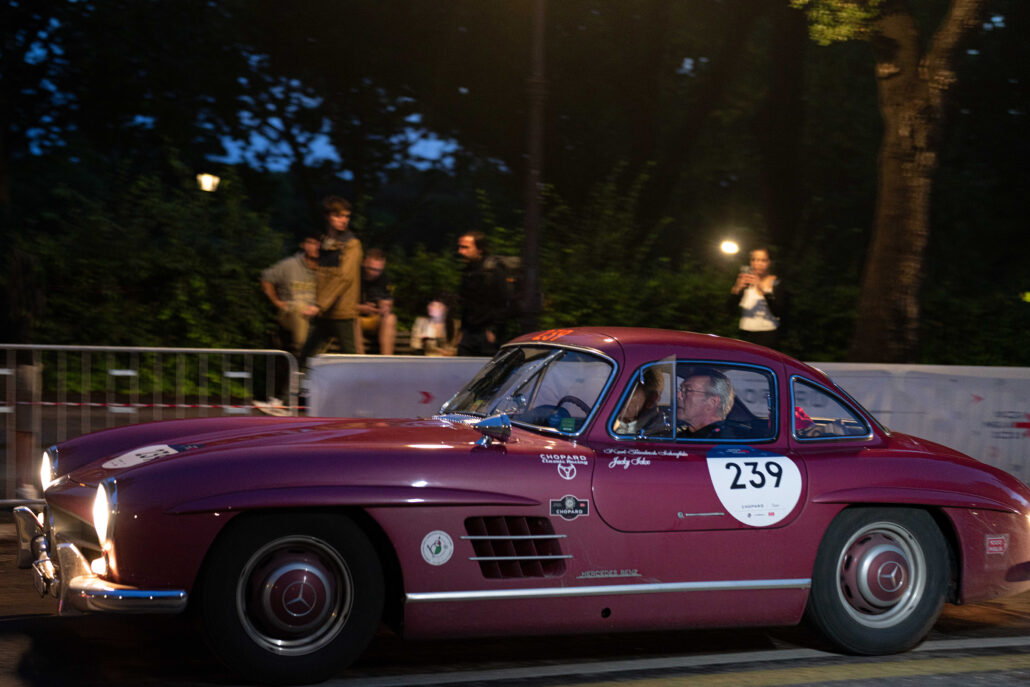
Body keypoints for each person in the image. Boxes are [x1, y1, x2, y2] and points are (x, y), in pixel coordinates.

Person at [298, 196, 362, 367]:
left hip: (341, 310)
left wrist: (319, 305)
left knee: (351, 359)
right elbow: (323, 276)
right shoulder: (326, 242)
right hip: (325, 311)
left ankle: (360, 393)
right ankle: (290, 393)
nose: (344, 220)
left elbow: (344, 277)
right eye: (339, 216)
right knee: (306, 356)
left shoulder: (352, 244)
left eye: (347, 216)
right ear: (328, 216)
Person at [260, 232, 320, 356]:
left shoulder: (325, 267)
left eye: (318, 243)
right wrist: (276, 301)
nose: (315, 247)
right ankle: (302, 352)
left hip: (317, 310)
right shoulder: (289, 265)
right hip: (291, 311)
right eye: (311, 243)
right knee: (299, 307)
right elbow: (266, 278)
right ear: (303, 245)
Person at [456, 231, 509, 356]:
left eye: (465, 247)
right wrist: (462, 330)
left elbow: (503, 301)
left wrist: (493, 329)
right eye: (460, 247)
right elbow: (466, 303)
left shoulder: (492, 270)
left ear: (479, 249)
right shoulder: (468, 271)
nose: (461, 252)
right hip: (470, 331)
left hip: (486, 332)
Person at [730, 247, 785, 348]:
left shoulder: (776, 282)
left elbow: (779, 312)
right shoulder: (746, 281)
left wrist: (762, 290)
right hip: (745, 333)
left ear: (770, 262)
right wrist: (736, 289)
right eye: (754, 260)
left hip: (768, 334)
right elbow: (729, 309)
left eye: (762, 260)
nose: (757, 263)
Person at [356, 248, 397, 355]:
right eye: (372, 269)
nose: (375, 273)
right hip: (356, 318)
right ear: (364, 263)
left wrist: (384, 307)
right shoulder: (354, 276)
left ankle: (386, 360)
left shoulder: (384, 279)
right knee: (351, 318)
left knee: (390, 318)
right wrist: (361, 308)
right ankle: (361, 360)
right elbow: (343, 305)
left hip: (374, 319)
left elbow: (388, 302)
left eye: (379, 270)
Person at [675, 367, 736, 439]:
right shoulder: (683, 436)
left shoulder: (722, 442)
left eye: (688, 390)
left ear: (712, 402)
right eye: (680, 390)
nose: (678, 395)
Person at [615, 367, 665, 434]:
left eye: (631, 392)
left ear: (652, 399)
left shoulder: (655, 434)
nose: (621, 397)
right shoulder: (614, 425)